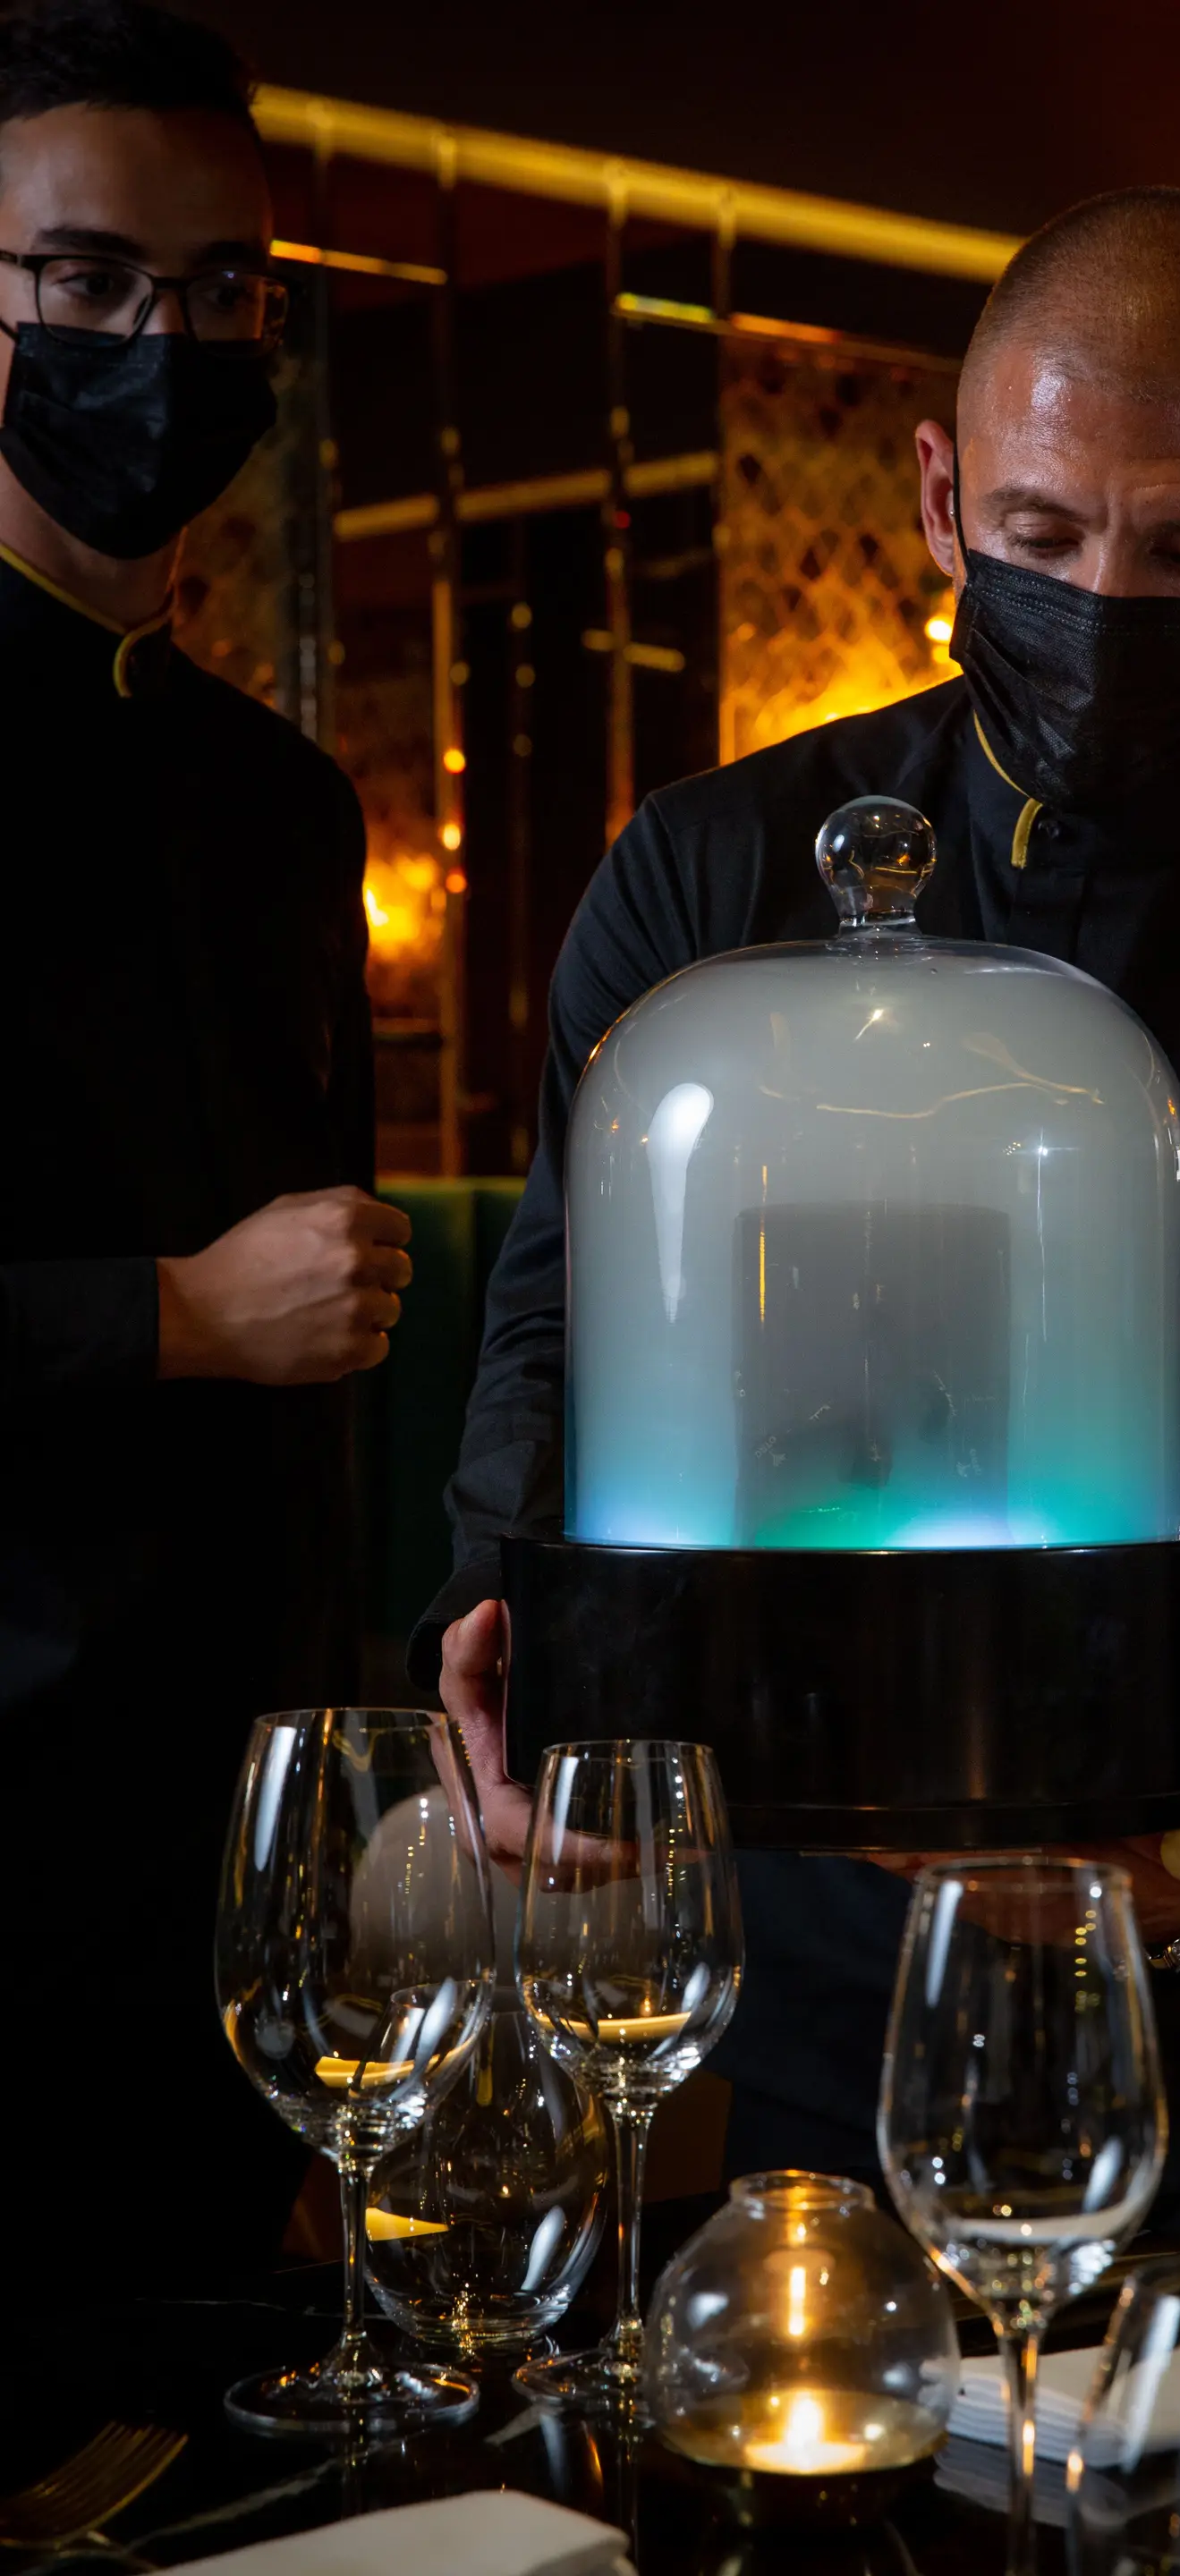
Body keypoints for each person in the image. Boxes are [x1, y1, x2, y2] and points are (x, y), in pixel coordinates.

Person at [418, 189, 1180, 2225]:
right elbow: (562, 1328)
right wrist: (508, 1632)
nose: (1105, 602)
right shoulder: (705, 882)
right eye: (1044, 534)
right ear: (942, 500)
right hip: (817, 1950)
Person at [0, 1, 410, 2293]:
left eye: (221, 289)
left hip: (236, 1866)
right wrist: (167, 1316)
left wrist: (346, 1830)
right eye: (87, 280)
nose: (163, 349)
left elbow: (324, 1386)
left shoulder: (285, 805)